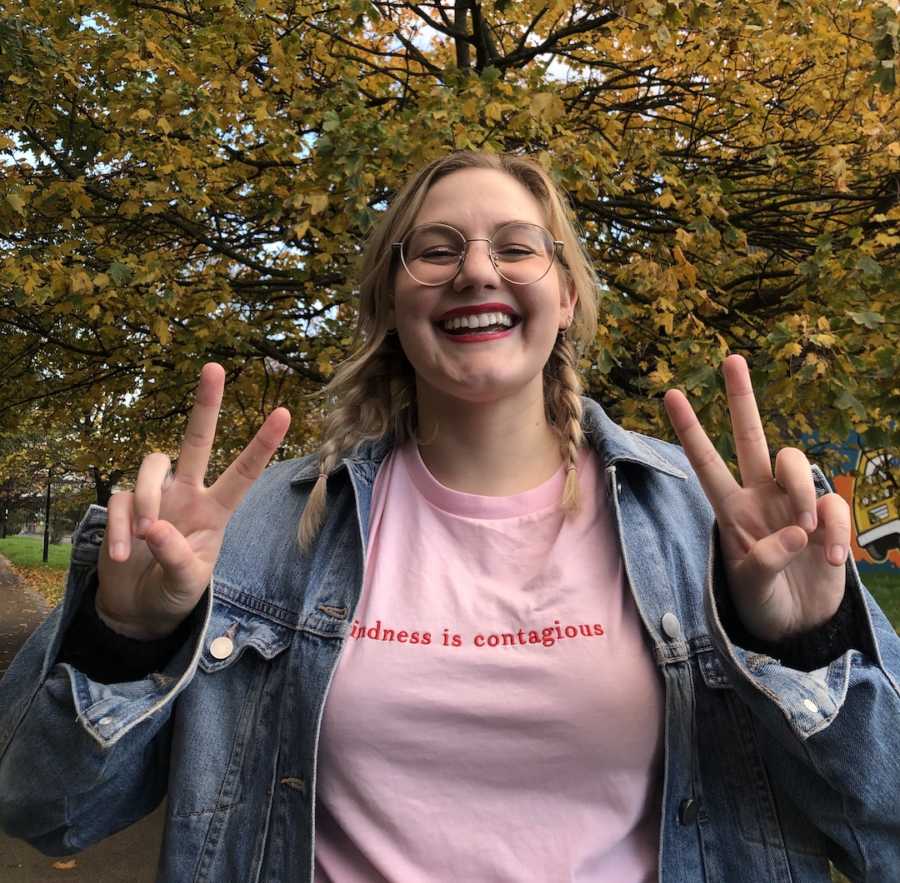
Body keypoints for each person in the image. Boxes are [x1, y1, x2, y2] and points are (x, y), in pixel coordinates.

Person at [0, 151, 897, 883]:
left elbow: (881, 829)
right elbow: (47, 812)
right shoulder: (252, 537)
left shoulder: (717, 530)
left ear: (567, 296)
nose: (476, 268)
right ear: (393, 302)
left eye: (516, 246)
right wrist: (125, 635)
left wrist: (806, 643)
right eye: (435, 249)